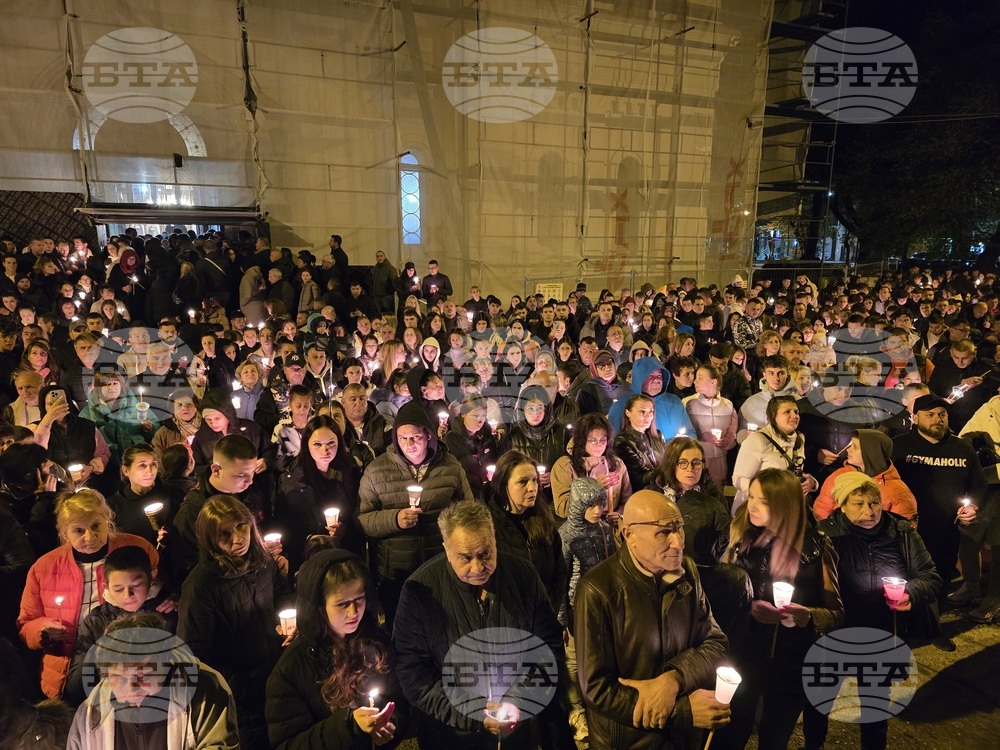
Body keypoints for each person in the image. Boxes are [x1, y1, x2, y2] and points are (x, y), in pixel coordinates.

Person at [393, 500, 574, 750]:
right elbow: (413, 673)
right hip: (450, 736)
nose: (478, 567)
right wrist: (473, 711)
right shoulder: (420, 591)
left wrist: (517, 700)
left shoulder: (523, 576)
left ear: (495, 540)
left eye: (485, 553)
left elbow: (547, 648)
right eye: (465, 558)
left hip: (516, 732)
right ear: (446, 549)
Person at [574, 490, 730, 750]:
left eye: (679, 528)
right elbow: (597, 690)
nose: (679, 542)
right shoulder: (598, 590)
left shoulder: (687, 572)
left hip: (682, 740)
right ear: (629, 535)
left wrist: (672, 680)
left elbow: (716, 643)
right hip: (628, 741)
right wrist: (682, 711)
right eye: (664, 532)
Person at [812, 474, 942, 750]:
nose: (869, 511)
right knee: (820, 698)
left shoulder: (901, 532)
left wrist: (911, 593)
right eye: (858, 503)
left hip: (881, 632)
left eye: (874, 503)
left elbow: (929, 576)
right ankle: (813, 744)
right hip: (835, 632)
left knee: (874, 706)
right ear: (841, 505)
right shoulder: (824, 534)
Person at [719, 468, 843, 750]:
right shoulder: (741, 537)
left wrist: (807, 615)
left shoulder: (817, 546)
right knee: (731, 734)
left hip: (792, 662)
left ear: (784, 504)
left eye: (762, 501)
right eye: (751, 497)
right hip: (743, 656)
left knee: (774, 739)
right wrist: (748, 607)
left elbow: (836, 613)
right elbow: (723, 594)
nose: (751, 505)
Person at [17, 489, 159, 699]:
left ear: (107, 521)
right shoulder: (44, 568)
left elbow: (161, 587)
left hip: (132, 663)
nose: (89, 536)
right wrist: (43, 631)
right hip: (69, 666)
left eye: (95, 526)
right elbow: (26, 622)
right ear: (65, 533)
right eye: (78, 530)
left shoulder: (137, 548)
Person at [177, 494, 290, 749]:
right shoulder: (200, 586)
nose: (237, 539)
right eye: (224, 534)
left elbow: (283, 598)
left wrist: (290, 629)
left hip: (276, 675)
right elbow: (195, 655)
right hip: (242, 695)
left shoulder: (263, 562)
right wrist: (237, 686)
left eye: (241, 526)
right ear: (209, 540)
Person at [265, 549, 406, 749]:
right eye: (342, 604)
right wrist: (348, 728)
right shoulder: (290, 671)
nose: (354, 611)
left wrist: (391, 726)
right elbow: (287, 744)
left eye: (359, 599)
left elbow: (398, 700)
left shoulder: (376, 642)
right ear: (319, 608)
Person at [357, 401, 474, 627]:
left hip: (440, 566)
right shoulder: (377, 470)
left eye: (416, 438)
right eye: (402, 438)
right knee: (401, 630)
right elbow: (364, 519)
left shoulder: (450, 466)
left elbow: (467, 511)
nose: (409, 444)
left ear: (429, 436)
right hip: (396, 573)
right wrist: (395, 519)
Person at [66, 612, 239, 749]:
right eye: (119, 679)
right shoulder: (90, 715)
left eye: (142, 676)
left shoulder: (204, 691)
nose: (132, 689)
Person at [891, 395, 986, 606]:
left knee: (941, 578)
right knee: (908, 579)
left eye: (942, 415)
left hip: (948, 529)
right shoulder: (898, 447)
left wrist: (973, 506)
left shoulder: (963, 448)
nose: (937, 419)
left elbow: (978, 484)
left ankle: (935, 622)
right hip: (908, 530)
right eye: (930, 415)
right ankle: (909, 624)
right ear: (915, 418)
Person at [64, 544, 178, 705]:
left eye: (136, 586)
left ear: (152, 576)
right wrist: (100, 652)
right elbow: (76, 688)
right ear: (106, 586)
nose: (128, 595)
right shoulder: (97, 621)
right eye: (118, 589)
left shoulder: (169, 611)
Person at [277, 415, 364, 574]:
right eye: (317, 444)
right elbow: (285, 524)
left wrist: (346, 529)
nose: (325, 450)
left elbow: (359, 512)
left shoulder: (351, 473)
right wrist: (310, 539)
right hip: (309, 560)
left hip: (345, 556)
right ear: (306, 445)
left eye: (331, 443)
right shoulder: (292, 480)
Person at [485, 451, 566, 615]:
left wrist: (551, 611)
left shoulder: (542, 518)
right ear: (503, 484)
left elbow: (559, 572)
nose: (532, 488)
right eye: (523, 482)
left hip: (543, 617)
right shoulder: (487, 526)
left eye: (535, 480)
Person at [732, 395, 818, 513]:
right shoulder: (757, 439)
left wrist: (811, 483)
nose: (794, 416)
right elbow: (738, 479)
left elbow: (795, 468)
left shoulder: (799, 439)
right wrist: (767, 494)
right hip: (756, 510)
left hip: (784, 510)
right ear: (773, 415)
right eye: (787, 412)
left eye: (796, 412)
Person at [813, 429, 918, 522]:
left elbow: (903, 532)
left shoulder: (898, 491)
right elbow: (822, 509)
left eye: (855, 447)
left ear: (871, 452)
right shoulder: (839, 477)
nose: (848, 450)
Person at [551, 413, 632, 520]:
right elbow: (562, 508)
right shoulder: (565, 466)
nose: (599, 445)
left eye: (603, 440)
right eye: (593, 441)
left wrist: (618, 513)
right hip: (581, 530)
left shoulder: (617, 464)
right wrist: (593, 487)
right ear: (582, 440)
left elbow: (627, 500)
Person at [607, 356, 694, 441]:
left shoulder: (675, 402)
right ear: (639, 379)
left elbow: (690, 433)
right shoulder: (620, 407)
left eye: (659, 376)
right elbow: (614, 444)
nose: (656, 380)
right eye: (650, 376)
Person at [683, 364, 737, 490]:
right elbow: (682, 434)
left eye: (700, 378)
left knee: (717, 494)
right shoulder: (688, 404)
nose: (695, 381)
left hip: (719, 461)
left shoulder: (728, 405)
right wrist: (699, 437)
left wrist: (726, 442)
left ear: (713, 382)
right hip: (696, 461)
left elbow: (732, 434)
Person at [443, 393, 499, 499]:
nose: (480, 420)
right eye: (475, 415)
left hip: (488, 495)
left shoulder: (488, 437)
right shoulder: (449, 441)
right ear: (463, 414)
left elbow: (495, 461)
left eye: (483, 415)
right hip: (463, 498)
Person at [613, 393, 667, 491]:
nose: (648, 416)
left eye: (651, 411)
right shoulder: (622, 442)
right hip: (643, 494)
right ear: (628, 413)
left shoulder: (658, 435)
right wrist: (667, 468)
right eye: (642, 411)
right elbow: (638, 479)